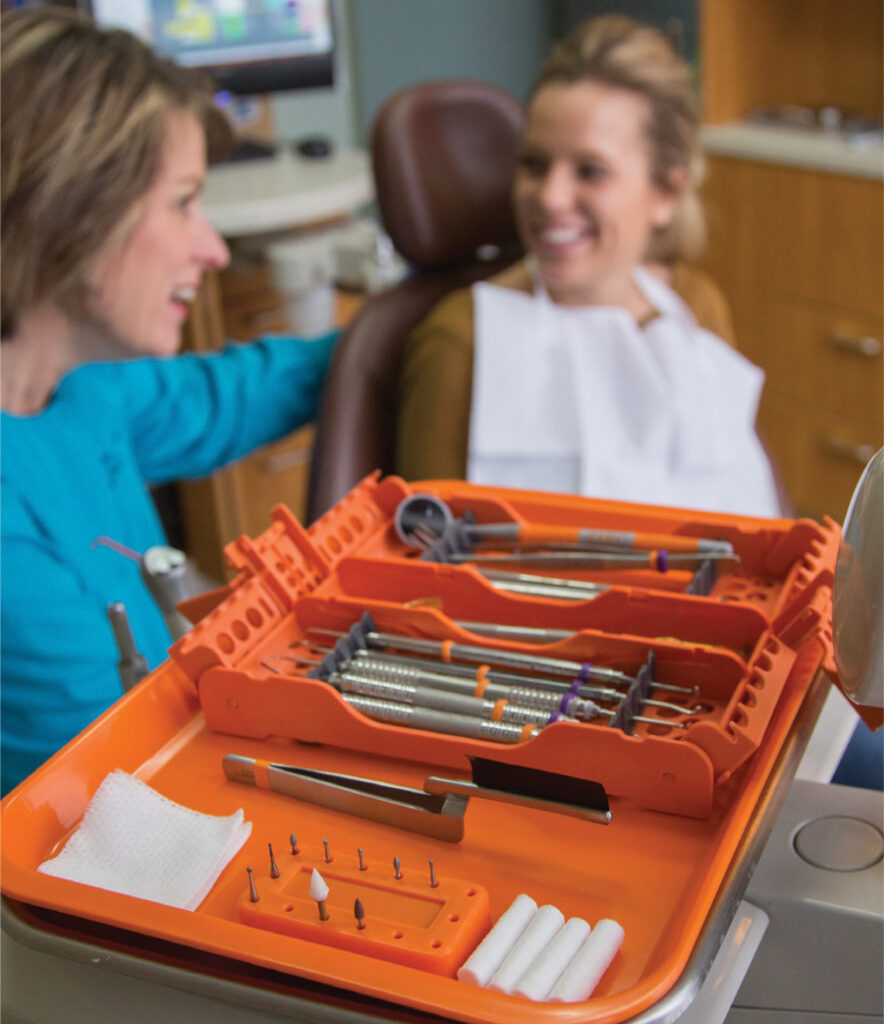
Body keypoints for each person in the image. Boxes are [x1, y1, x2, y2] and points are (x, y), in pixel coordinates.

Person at [0, 8, 338, 795]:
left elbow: (230, 395)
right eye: (183, 202)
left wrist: (411, 329)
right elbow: (125, 798)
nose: (212, 249)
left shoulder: (76, 384)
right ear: (76, 212)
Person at [395, 14, 781, 519]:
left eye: (591, 171)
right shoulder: (462, 338)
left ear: (666, 192)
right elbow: (421, 562)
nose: (550, 197)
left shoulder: (697, 307)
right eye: (533, 164)